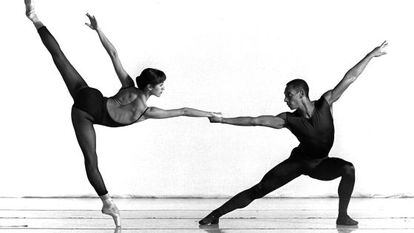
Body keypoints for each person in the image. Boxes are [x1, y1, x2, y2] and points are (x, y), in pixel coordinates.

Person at [24, 0, 219, 227]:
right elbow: (184, 111)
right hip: (86, 113)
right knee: (91, 160)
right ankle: (107, 202)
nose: (163, 88)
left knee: (60, 57)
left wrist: (98, 30)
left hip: (91, 96)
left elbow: (114, 54)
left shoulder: (128, 86)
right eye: (161, 85)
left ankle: (35, 17)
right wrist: (210, 113)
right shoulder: (148, 112)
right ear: (150, 88)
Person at [199, 41, 388, 226]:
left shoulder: (326, 103)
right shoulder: (287, 119)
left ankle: (342, 216)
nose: (285, 99)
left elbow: (350, 77)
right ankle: (215, 215)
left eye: (288, 95)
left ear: (301, 94)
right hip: (297, 163)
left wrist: (371, 55)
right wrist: (222, 120)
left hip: (321, 164)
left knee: (348, 168)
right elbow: (254, 120)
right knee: (259, 189)